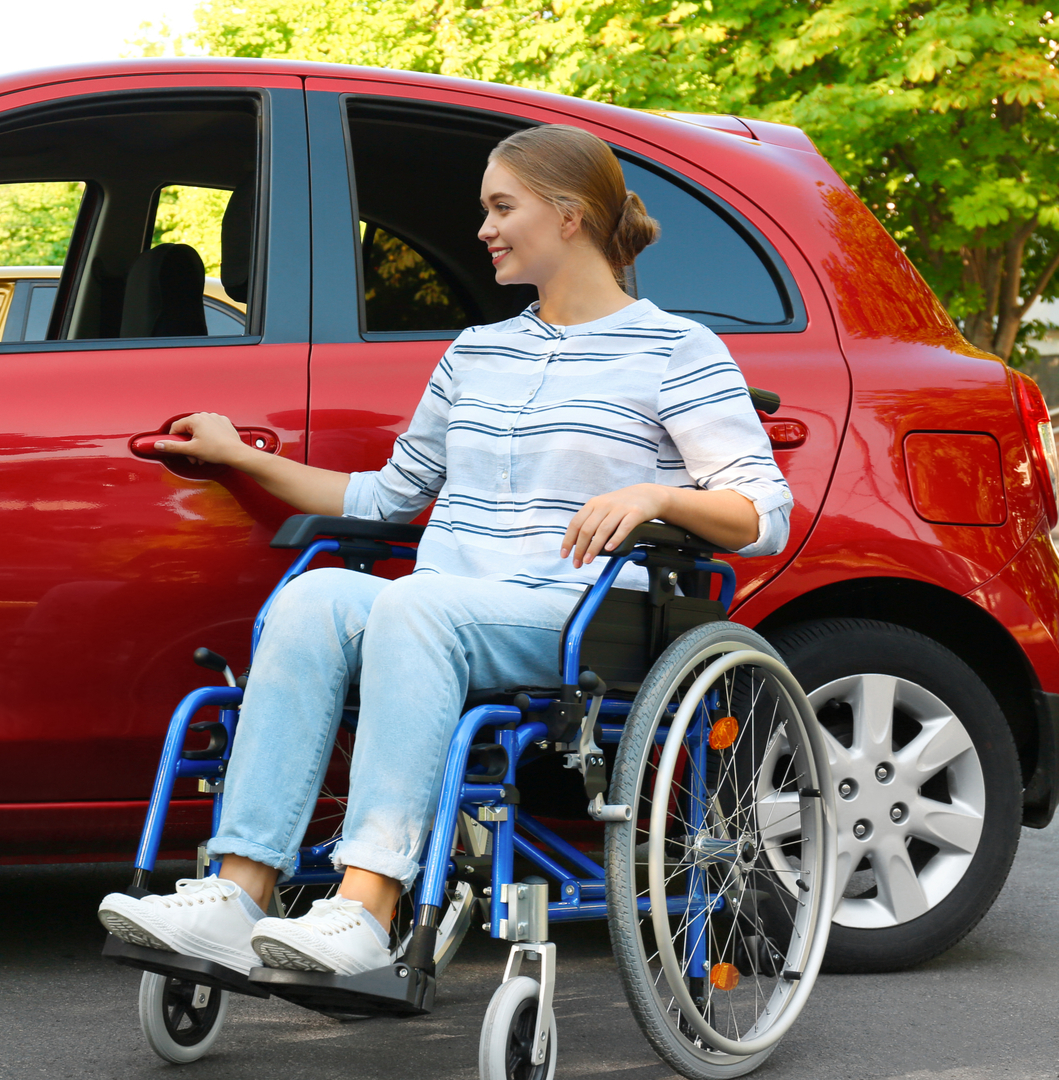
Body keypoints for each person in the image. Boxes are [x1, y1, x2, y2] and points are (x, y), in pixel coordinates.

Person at [97, 124, 793, 977]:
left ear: (569, 215)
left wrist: (655, 496)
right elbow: (384, 496)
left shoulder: (676, 350)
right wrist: (241, 456)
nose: (484, 229)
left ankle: (367, 906)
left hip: (575, 614)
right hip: (438, 607)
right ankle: (237, 892)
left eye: (502, 207)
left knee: (415, 605)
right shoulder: (476, 353)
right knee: (314, 598)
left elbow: (762, 513)